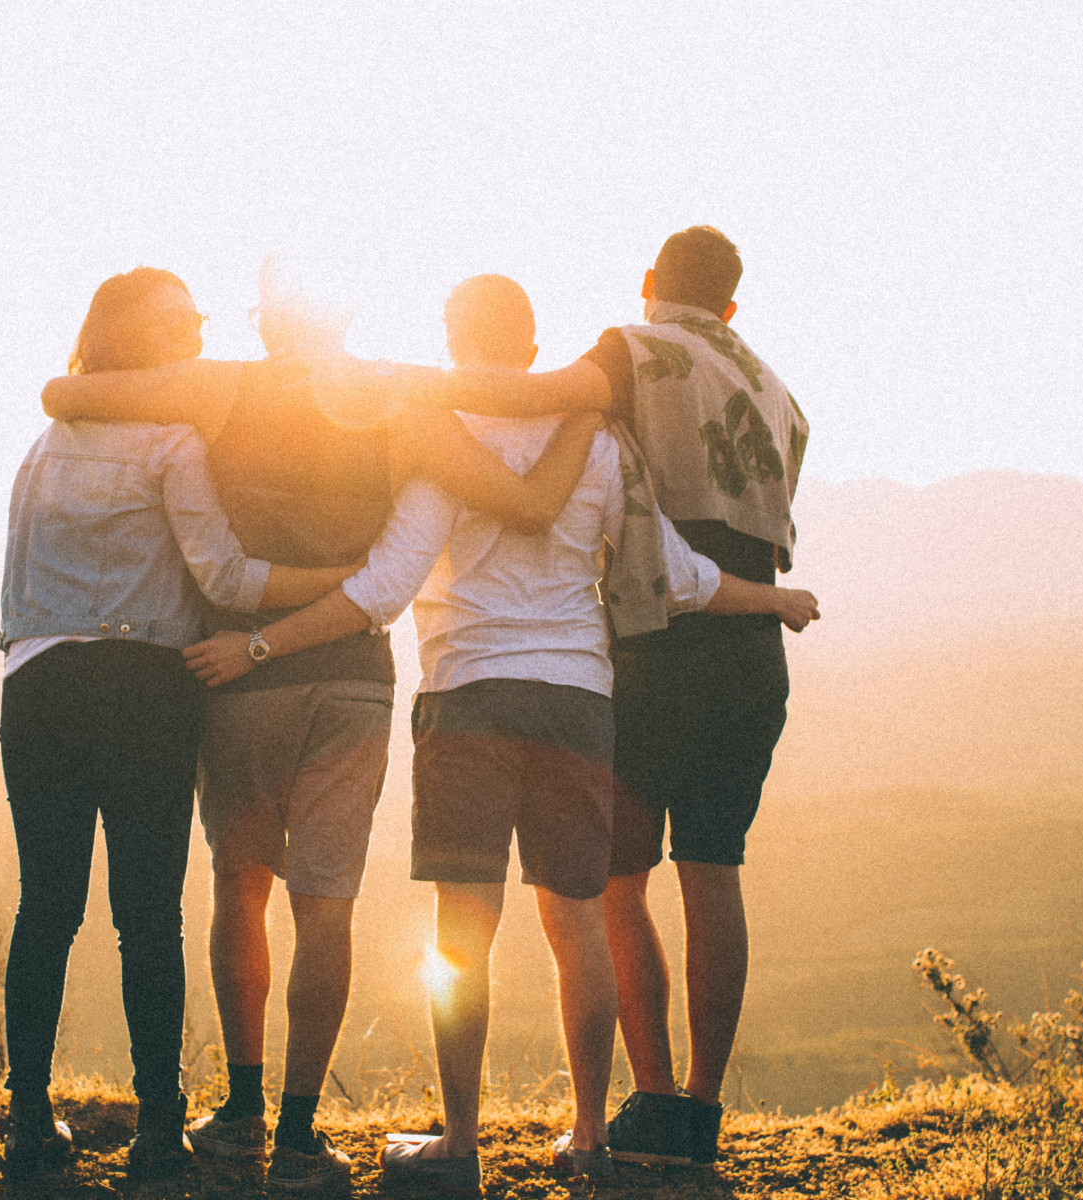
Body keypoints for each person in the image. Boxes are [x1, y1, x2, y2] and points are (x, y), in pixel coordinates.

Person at [182, 275, 817, 1193]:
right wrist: (772, 599)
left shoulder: (441, 438)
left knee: (462, 932)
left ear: (452, 340)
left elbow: (385, 588)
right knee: (578, 921)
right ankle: (589, 1137)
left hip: (466, 699)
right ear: (532, 347)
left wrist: (261, 643)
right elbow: (675, 574)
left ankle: (460, 1141)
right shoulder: (599, 441)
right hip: (577, 701)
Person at [39, 257, 601, 1191]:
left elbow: (69, 395)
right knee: (325, 906)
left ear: (267, 320)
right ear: (345, 314)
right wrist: (588, 402)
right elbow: (524, 501)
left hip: (239, 675)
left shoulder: (218, 388)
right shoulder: (398, 400)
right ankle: (301, 1135)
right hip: (352, 680)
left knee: (240, 887)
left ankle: (242, 1112)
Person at [405, 229, 814, 1167]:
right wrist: (772, 600)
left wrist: (396, 386)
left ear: (648, 283)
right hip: (749, 642)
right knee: (714, 869)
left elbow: (533, 397)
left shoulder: (634, 350)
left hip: (656, 640)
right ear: (732, 305)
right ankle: (698, 1114)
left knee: (615, 885)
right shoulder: (778, 391)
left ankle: (650, 1101)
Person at [0, 267, 362, 1186]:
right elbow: (227, 579)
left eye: (197, 316)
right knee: (148, 915)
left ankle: (28, 1117)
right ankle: (159, 1126)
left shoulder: (44, 446)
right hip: (143, 688)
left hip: (35, 685)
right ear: (134, 338)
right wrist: (345, 583)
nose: (197, 332)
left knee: (46, 907)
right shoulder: (172, 441)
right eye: (178, 322)